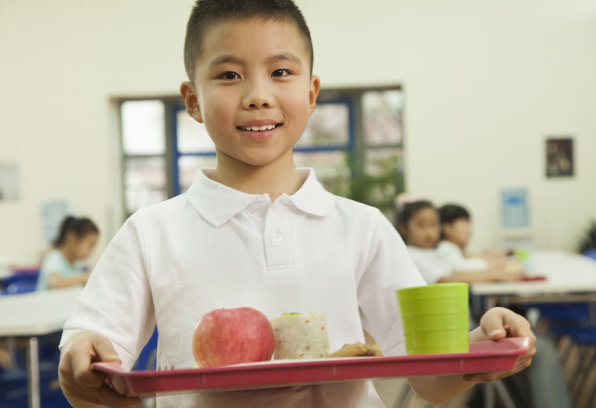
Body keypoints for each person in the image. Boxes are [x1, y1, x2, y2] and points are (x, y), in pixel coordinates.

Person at [57, 1, 536, 407]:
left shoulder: (361, 228)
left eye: (280, 72)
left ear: (311, 95)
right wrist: (83, 357)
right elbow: (93, 348)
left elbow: (430, 376)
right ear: (193, 100)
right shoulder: (152, 232)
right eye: (228, 74)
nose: (257, 96)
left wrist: (487, 344)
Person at [397, 200, 523, 285]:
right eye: (420, 225)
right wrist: (496, 275)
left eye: (433, 225)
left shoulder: (430, 252)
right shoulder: (412, 255)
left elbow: (454, 271)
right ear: (403, 228)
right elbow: (445, 279)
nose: (429, 232)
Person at [438, 203, 514, 273]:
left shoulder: (453, 249)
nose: (469, 228)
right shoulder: (445, 248)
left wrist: (487, 256)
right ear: (447, 227)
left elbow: (466, 259)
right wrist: (492, 263)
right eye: (464, 222)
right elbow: (460, 268)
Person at [36, 216, 99, 291]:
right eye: (90, 245)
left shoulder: (75, 264)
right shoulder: (54, 257)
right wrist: (85, 277)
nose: (91, 251)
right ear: (72, 239)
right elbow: (54, 283)